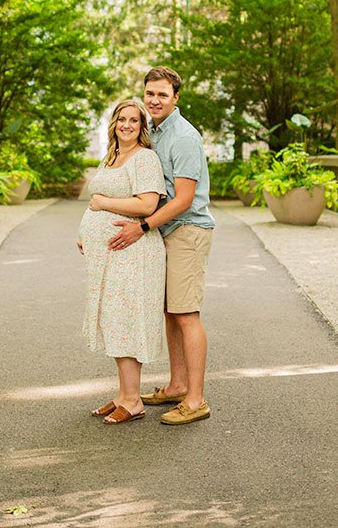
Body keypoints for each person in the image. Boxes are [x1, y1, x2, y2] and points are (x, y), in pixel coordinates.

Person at [108, 66, 215, 426]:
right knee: (171, 311)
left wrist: (141, 227)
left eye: (162, 95)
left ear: (176, 98)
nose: (154, 100)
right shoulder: (153, 130)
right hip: (166, 230)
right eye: (150, 94)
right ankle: (177, 385)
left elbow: (183, 199)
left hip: (187, 230)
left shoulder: (184, 137)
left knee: (186, 314)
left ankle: (196, 399)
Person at [78, 99, 168, 425]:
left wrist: (102, 203)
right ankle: (123, 394)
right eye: (122, 119)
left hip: (135, 252)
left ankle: (133, 401)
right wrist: (85, 231)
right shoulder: (112, 156)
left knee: (127, 320)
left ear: (142, 127)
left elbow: (147, 204)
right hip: (111, 253)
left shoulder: (144, 159)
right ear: (114, 123)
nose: (127, 125)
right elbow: (96, 202)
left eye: (134, 120)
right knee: (114, 320)